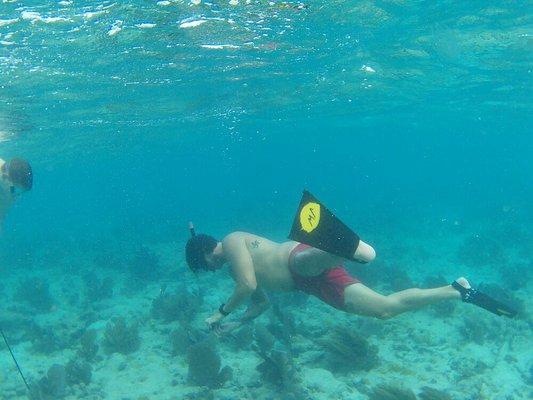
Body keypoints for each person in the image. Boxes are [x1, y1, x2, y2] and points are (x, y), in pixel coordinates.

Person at [185, 228, 514, 335]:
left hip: (296, 260)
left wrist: (221, 313)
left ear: (203, 254)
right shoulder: (233, 268)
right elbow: (260, 302)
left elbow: (246, 287)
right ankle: (457, 290)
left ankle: (343, 248)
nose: (208, 271)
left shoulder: (230, 242)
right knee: (385, 310)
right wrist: (238, 322)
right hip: (310, 283)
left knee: (305, 261)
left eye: (203, 266)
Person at [0, 157, 33, 226]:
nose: (16, 198)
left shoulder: (9, 194)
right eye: (17, 192)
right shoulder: (9, 192)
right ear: (6, 177)